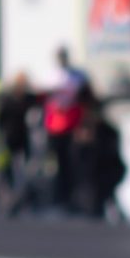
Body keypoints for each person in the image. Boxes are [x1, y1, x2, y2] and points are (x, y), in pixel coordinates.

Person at [44, 47, 89, 211]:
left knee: (74, 164)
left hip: (72, 126)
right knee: (54, 164)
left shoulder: (78, 76)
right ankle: (57, 198)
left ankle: (73, 198)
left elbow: (86, 99)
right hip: (54, 127)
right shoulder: (50, 76)